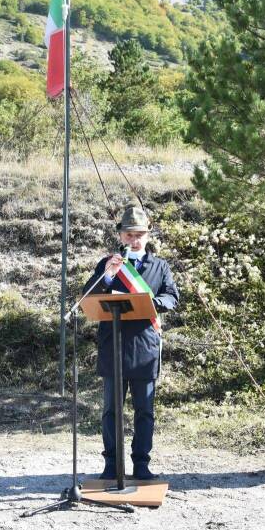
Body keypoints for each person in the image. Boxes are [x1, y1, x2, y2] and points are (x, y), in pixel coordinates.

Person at [85, 205, 179, 481]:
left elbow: (172, 298)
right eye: (129, 234)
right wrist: (109, 276)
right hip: (113, 343)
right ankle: (112, 464)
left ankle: (141, 464)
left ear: (147, 236)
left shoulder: (159, 266)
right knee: (111, 410)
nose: (134, 240)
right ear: (121, 236)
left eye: (139, 234)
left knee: (144, 410)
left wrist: (151, 303)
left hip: (145, 346)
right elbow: (87, 295)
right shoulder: (108, 264)